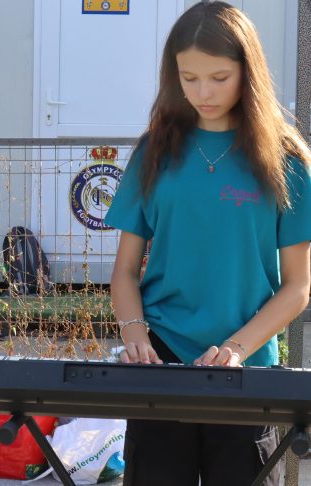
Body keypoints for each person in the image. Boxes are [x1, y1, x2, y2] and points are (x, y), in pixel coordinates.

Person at [105, 2, 311, 485]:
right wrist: (135, 335)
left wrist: (237, 348)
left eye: (219, 77)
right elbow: (125, 271)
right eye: (189, 78)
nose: (203, 92)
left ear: (248, 72)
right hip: (160, 362)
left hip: (247, 368)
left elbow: (298, 286)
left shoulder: (286, 160)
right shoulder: (154, 152)